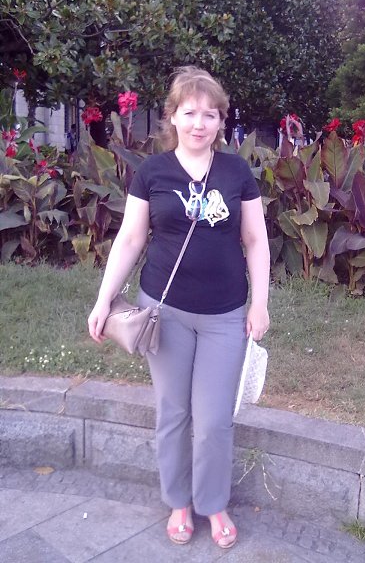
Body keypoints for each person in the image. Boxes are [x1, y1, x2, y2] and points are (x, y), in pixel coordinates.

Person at [88, 66, 270, 549]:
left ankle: (214, 504)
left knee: (213, 419)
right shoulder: (153, 172)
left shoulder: (235, 172)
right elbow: (130, 240)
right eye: (189, 113)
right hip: (164, 311)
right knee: (173, 411)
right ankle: (178, 502)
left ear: (221, 121)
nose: (199, 123)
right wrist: (104, 300)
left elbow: (255, 240)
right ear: (172, 117)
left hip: (225, 315)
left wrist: (260, 304)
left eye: (210, 114)